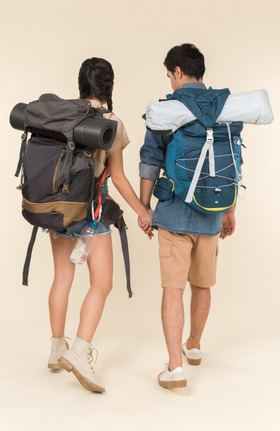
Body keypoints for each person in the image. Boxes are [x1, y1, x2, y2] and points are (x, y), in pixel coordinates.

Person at [48, 57, 153, 393]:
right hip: (91, 213)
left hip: (58, 210)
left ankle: (55, 350)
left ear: (81, 83)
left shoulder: (62, 116)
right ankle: (79, 352)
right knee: (102, 284)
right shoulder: (112, 122)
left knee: (62, 278)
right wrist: (142, 211)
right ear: (108, 85)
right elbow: (118, 176)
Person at [138, 44, 237, 389]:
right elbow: (231, 164)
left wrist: (144, 208)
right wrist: (229, 211)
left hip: (174, 215)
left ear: (178, 72)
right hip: (212, 214)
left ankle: (175, 368)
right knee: (202, 284)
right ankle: (194, 346)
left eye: (169, 74)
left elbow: (150, 160)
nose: (170, 80)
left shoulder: (166, 111)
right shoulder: (224, 109)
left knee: (172, 290)